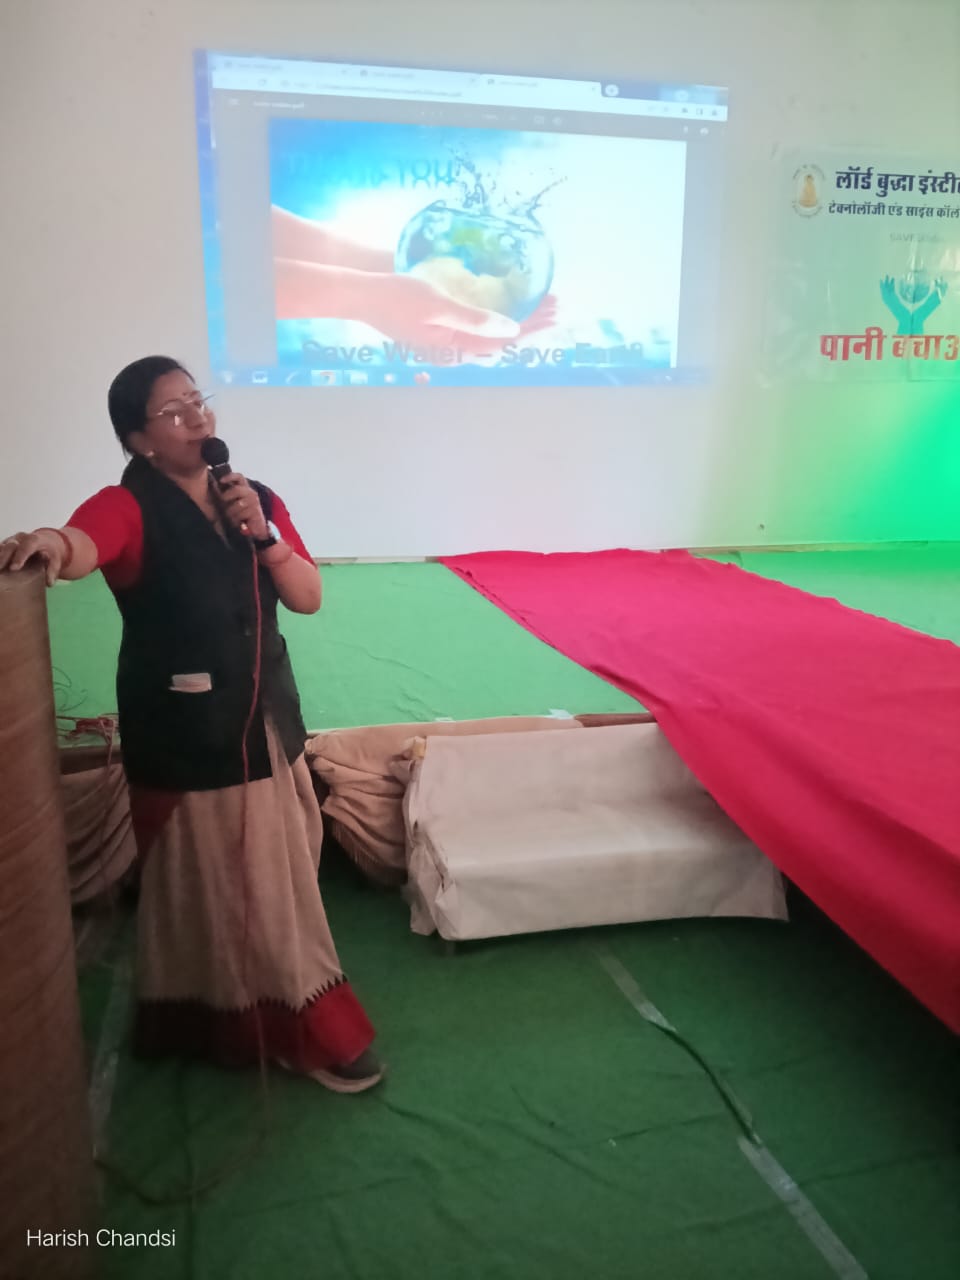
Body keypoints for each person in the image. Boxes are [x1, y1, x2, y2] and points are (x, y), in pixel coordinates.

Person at [0, 356, 382, 1093]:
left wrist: (264, 535)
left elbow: (307, 597)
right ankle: (299, 1024)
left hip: (268, 719)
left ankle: (225, 1018)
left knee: (280, 878)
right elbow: (81, 544)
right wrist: (49, 543)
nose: (197, 417)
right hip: (187, 738)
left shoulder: (255, 497)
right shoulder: (126, 504)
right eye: (173, 410)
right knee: (227, 889)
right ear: (138, 440)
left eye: (197, 400)